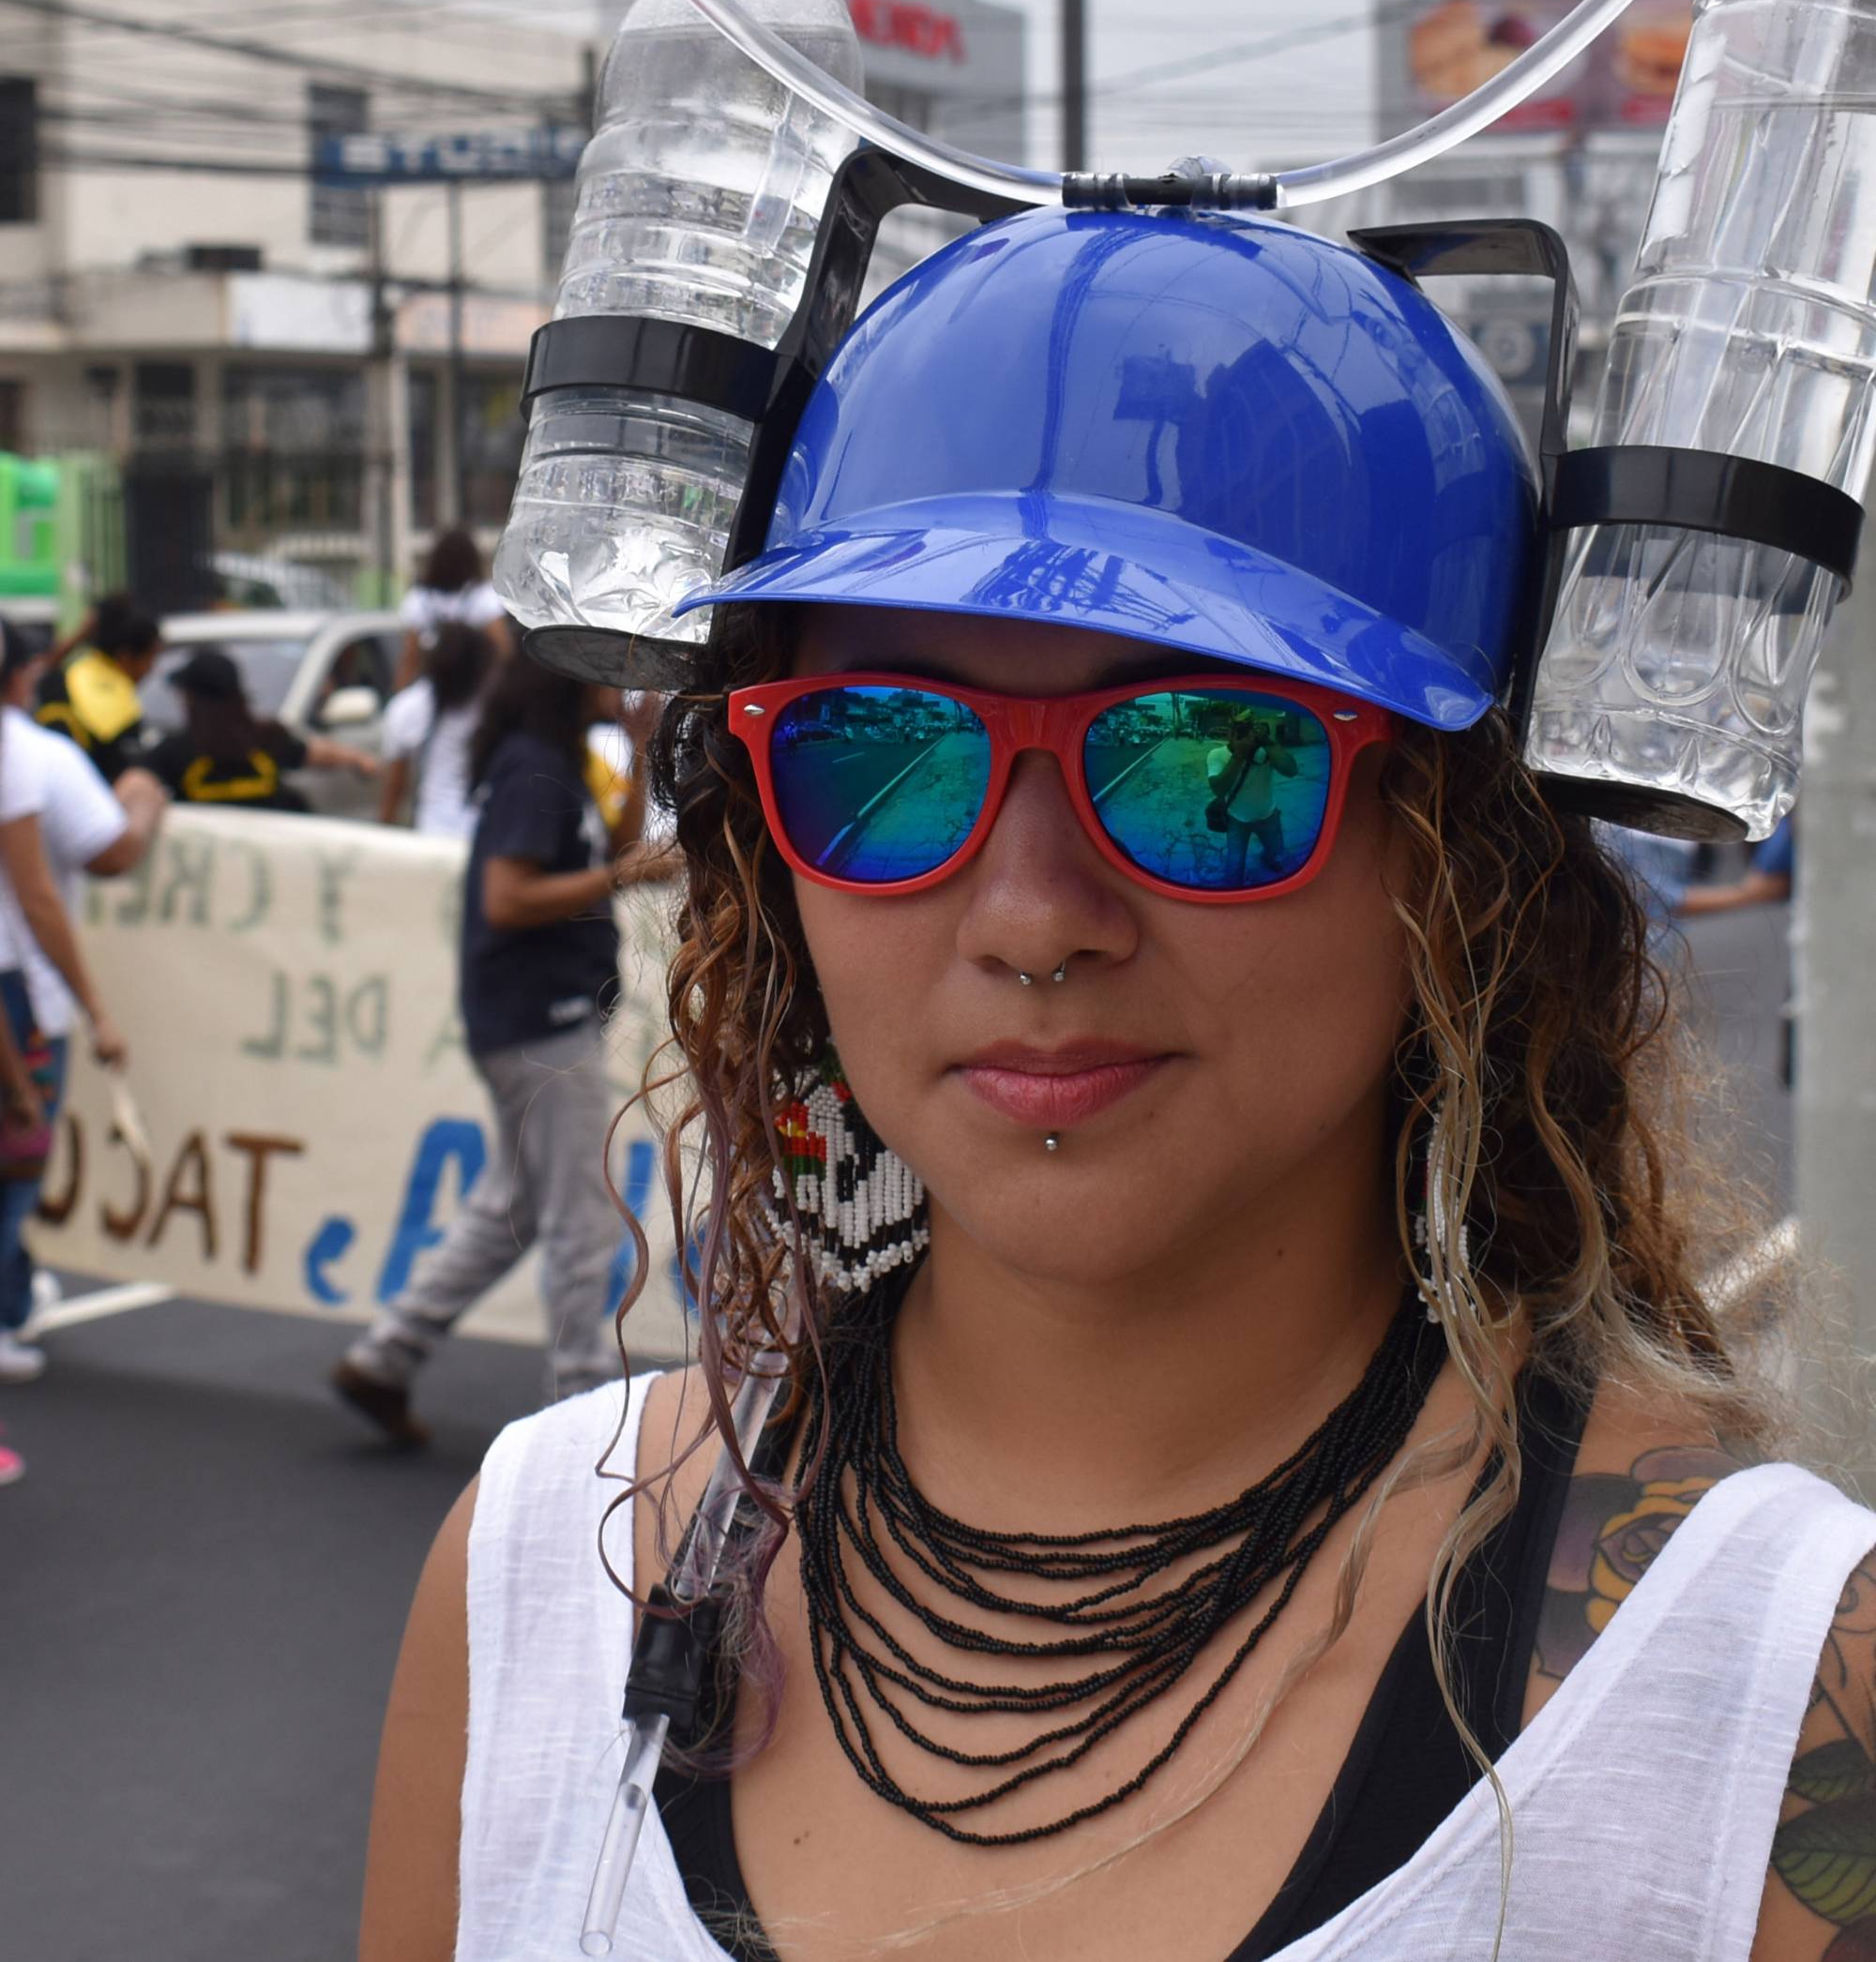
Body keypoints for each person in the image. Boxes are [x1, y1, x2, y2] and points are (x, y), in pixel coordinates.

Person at [361, 207, 1875, 1962]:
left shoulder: (1770, 1699)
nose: (1032, 917)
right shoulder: (541, 1574)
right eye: (886, 751)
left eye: (1212, 760)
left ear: (1462, 868)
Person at [334, 655, 677, 1440]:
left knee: (515, 1206)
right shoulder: (535, 770)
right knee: (580, 1216)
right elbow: (509, 895)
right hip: (540, 1018)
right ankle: (581, 1408)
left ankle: (388, 1354)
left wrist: (642, 748)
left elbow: (609, 851)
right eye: (603, 668)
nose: (619, 684)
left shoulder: (557, 762)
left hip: (533, 1015)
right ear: (564, 679)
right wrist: (618, 878)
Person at [0, 618, 164, 1395]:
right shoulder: (28, 756)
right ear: (25, 675)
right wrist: (143, 797)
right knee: (19, 1152)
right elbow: (72, 874)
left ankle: (14, 1292)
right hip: (16, 990)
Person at [129, 648, 377, 810]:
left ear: (191, 699)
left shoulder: (175, 752)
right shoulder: (266, 740)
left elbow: (137, 784)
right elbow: (315, 753)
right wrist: (359, 759)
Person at [376, 620, 498, 839]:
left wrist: (382, 832)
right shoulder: (492, 705)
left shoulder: (407, 708)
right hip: (483, 833)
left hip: (432, 833)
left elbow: (394, 786)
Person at [34, 592, 160, 782]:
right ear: (125, 657)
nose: (152, 669)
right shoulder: (123, 713)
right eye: (150, 658)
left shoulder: (63, 675)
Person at [392, 526, 507, 694]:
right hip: (475, 689)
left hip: (433, 692)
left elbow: (410, 659)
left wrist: (398, 699)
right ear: (472, 559)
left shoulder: (419, 600)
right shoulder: (483, 598)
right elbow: (502, 651)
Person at [1206, 710, 1299, 887]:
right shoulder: (1216, 755)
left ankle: (1268, 857)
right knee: (1234, 867)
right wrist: (1239, 755)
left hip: (1268, 816)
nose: (1242, 734)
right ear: (1229, 732)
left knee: (1277, 854)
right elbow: (1218, 790)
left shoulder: (1264, 750)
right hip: (1236, 819)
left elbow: (1291, 770)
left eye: (1247, 729)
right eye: (1238, 730)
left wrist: (1268, 741)